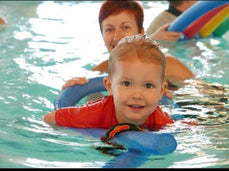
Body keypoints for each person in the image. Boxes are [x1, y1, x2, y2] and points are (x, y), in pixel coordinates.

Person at [62, 0, 195, 100]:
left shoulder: (167, 65)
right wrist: (69, 90)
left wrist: (174, 97)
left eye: (125, 28)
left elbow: (204, 95)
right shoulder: (98, 73)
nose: (117, 37)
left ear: (141, 33)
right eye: (109, 29)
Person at [43, 34, 174, 131]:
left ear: (161, 91)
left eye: (148, 85)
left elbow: (186, 129)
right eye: (127, 84)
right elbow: (49, 118)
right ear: (110, 86)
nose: (137, 95)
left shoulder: (160, 119)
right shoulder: (94, 113)